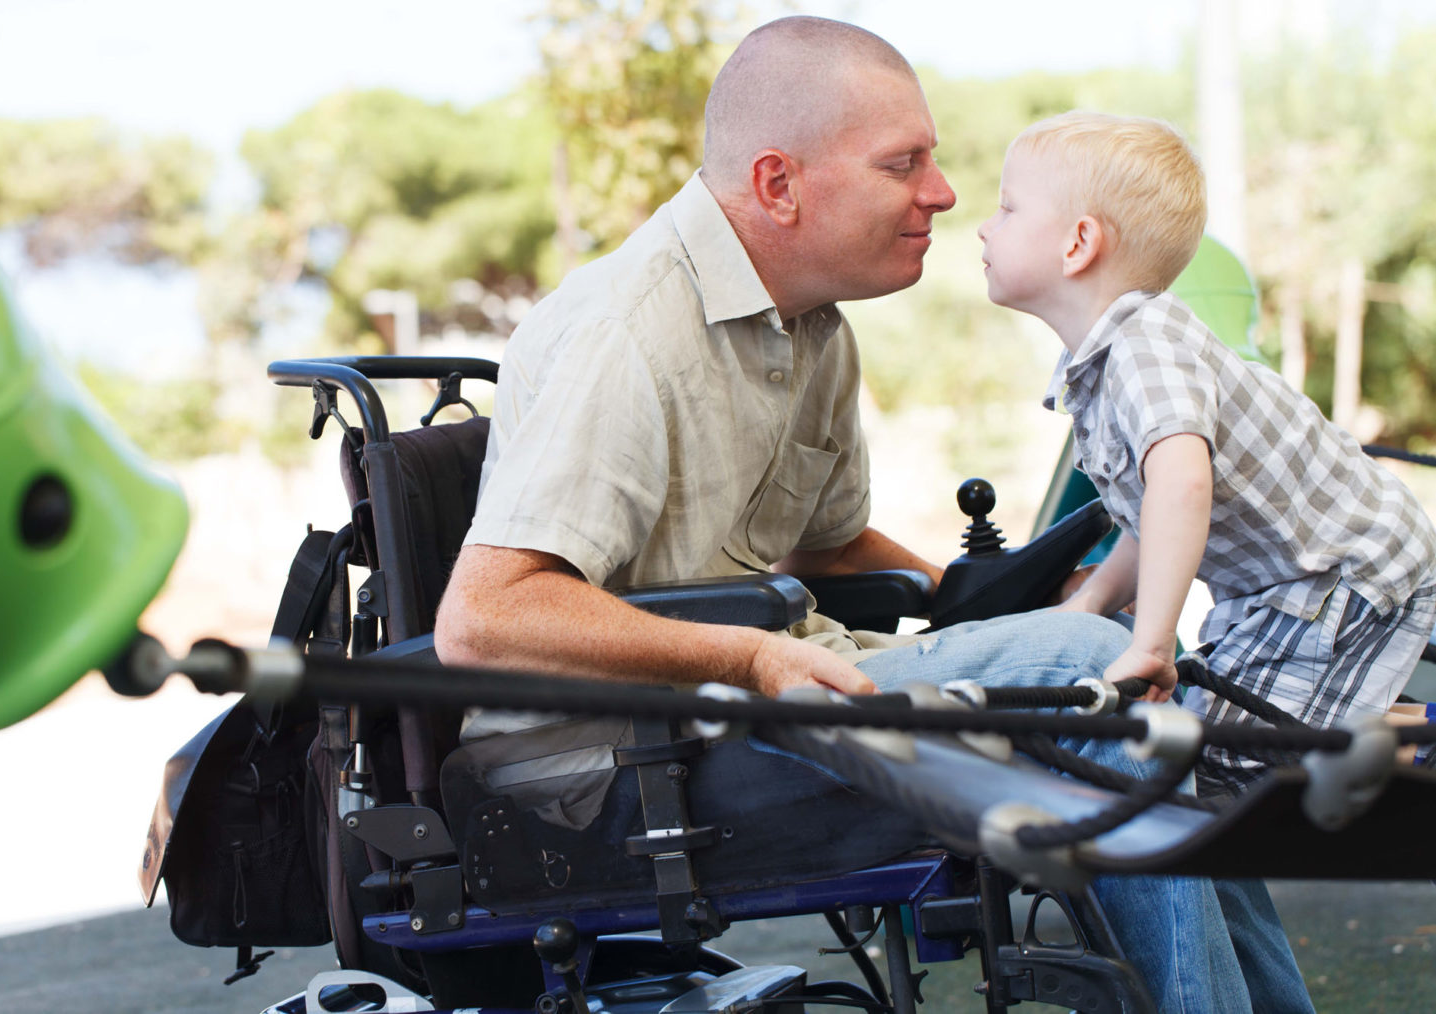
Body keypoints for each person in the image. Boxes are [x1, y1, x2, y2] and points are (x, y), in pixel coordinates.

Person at [436, 18, 1309, 1011]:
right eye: (904, 163)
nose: (941, 192)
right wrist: (750, 659)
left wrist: (978, 603)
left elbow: (829, 543)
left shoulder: (812, 328)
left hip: (768, 700)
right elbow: (487, 617)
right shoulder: (626, 333)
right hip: (619, 766)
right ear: (778, 185)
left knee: (1126, 688)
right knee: (1089, 669)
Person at [976, 110, 1436, 799]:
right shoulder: (1098, 359)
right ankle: (1412, 731)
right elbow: (1147, 511)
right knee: (1215, 735)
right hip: (1280, 586)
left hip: (1347, 573)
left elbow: (1182, 487)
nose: (986, 226)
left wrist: (1152, 641)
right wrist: (1095, 600)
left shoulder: (1144, 344)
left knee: (1240, 764)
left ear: (1077, 244)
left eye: (1007, 208)